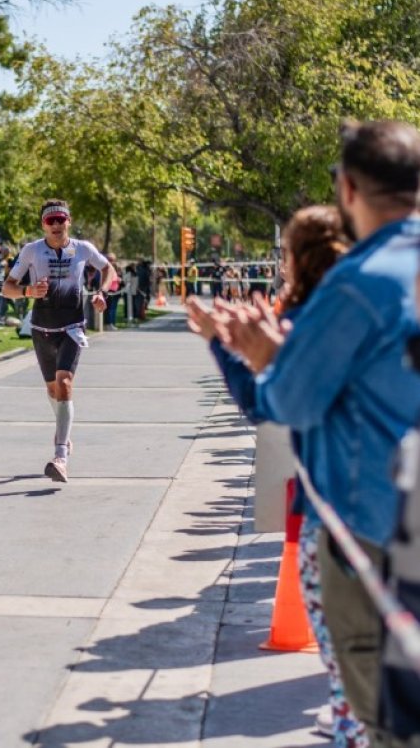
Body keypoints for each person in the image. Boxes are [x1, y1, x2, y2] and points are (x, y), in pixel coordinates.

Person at [216, 120, 420, 747]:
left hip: (376, 539)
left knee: (389, 724)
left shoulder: (357, 283)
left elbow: (286, 403)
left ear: (349, 188)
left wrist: (261, 353)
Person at [188, 206, 366, 748]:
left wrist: (223, 341)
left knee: (351, 667)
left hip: (333, 516)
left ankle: (350, 723)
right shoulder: (381, 310)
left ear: (296, 258)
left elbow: (262, 403)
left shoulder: (308, 325)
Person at [2, 199, 116, 483]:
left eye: (60, 219)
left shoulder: (83, 248)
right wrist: (29, 292)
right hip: (42, 329)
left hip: (72, 328)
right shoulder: (31, 251)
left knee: (65, 383)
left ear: (69, 221)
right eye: (50, 220)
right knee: (54, 392)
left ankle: (60, 456)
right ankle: (64, 432)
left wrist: (102, 292)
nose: (55, 225)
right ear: (43, 224)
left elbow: (109, 270)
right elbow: (7, 288)